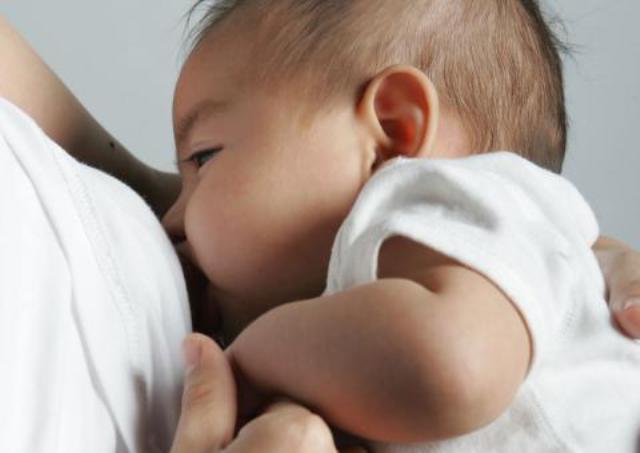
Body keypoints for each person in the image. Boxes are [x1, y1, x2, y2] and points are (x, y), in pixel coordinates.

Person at [0, 1, 639, 451]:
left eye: (204, 158)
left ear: (392, 133)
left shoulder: (432, 201)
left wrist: (249, 365)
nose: (172, 218)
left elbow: (456, 367)